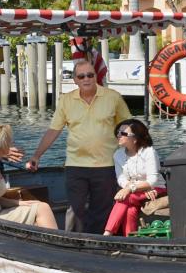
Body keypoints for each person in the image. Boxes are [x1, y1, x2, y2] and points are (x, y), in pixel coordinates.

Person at [25, 60, 131, 233]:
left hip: (107, 165)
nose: (86, 79)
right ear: (75, 79)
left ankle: (97, 247)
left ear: (96, 76)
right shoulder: (66, 100)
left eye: (90, 75)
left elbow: (127, 127)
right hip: (76, 165)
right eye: (81, 76)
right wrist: (36, 156)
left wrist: (137, 154)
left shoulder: (113, 97)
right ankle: (72, 244)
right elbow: (53, 130)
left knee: (102, 209)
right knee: (75, 209)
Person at [104, 119, 166, 236]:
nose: (118, 135)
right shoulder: (118, 154)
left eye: (123, 133)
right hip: (139, 191)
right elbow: (121, 179)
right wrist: (133, 188)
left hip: (156, 189)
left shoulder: (149, 152)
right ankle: (130, 238)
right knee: (130, 209)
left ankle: (107, 233)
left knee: (125, 199)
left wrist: (129, 189)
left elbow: (152, 180)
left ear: (135, 138)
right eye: (118, 132)